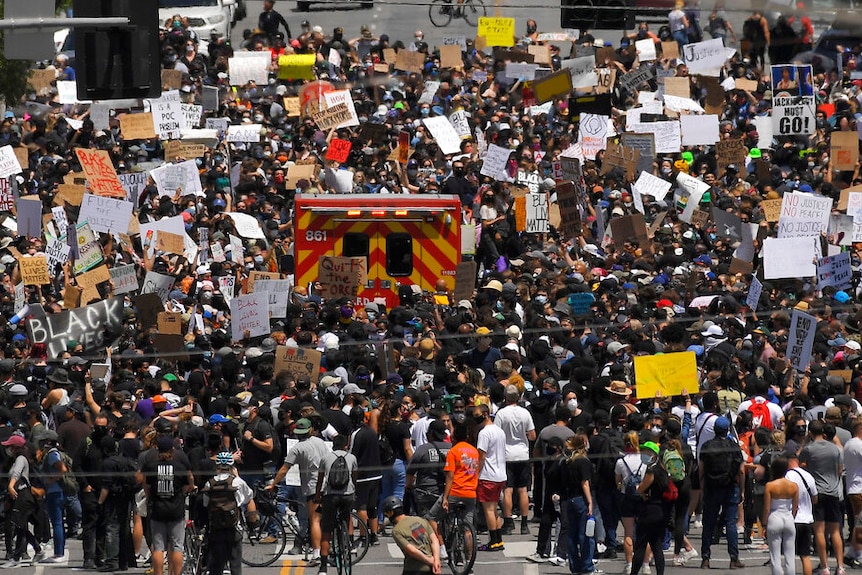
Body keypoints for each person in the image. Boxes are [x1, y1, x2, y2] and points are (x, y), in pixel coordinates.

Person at [269, 417, 329, 567]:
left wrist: (273, 484)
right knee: (324, 520)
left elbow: (284, 468)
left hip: (312, 487)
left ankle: (316, 554)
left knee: (314, 520)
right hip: (327, 485)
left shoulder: (297, 448)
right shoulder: (320, 442)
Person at [140, 435, 195, 575]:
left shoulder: (152, 465)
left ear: (157, 449)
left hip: (158, 507)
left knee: (158, 546)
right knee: (177, 546)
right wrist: (184, 490)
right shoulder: (179, 466)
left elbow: (145, 482)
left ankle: (158, 573)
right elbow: (190, 480)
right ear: (172, 449)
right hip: (176, 507)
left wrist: (149, 496)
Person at [698, 416, 745, 569]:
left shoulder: (707, 446)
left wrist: (702, 486)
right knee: (731, 523)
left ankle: (705, 557)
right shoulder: (734, 446)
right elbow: (742, 471)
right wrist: (742, 490)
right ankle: (733, 558)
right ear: (728, 430)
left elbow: (701, 470)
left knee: (708, 523)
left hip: (711, 487)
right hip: (730, 487)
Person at [800, 420, 845, 575]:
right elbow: (840, 471)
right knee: (835, 531)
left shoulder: (808, 449)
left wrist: (806, 441)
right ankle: (840, 566)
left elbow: (798, 461)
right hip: (833, 492)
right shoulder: (836, 449)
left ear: (810, 432)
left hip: (817, 492)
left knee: (819, 531)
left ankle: (824, 566)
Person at [201, 452, 253, 575]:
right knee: (235, 563)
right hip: (234, 527)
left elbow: (205, 503)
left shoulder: (210, 483)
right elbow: (248, 496)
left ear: (217, 466)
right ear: (232, 466)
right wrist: (238, 476)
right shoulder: (237, 482)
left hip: (216, 528)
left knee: (216, 565)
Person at [494, 384, 536, 536]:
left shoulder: (501, 414)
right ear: (518, 397)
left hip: (506, 456)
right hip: (522, 455)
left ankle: (508, 522)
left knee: (508, 490)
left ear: (505, 397)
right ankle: (524, 524)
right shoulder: (525, 413)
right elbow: (532, 435)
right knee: (523, 490)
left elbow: (496, 434)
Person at [315, 434, 357, 575]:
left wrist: (317, 496)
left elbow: (320, 479)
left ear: (333, 445)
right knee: (346, 517)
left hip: (330, 495)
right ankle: (348, 542)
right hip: (347, 495)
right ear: (346, 445)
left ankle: (323, 568)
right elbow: (354, 476)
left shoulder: (325, 458)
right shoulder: (351, 458)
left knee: (326, 531)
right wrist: (353, 490)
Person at [0, 433, 44, 567]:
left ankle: (17, 557)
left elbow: (16, 473)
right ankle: (37, 550)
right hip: (18, 495)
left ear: (15, 448)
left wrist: (11, 485)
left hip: (23, 495)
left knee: (19, 525)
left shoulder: (20, 459)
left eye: (10, 447)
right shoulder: (16, 459)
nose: (8, 449)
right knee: (21, 526)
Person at [561, 434, 599, 574]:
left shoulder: (568, 462)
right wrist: (590, 501)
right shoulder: (583, 462)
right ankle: (587, 567)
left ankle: (575, 566)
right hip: (581, 499)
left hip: (570, 499)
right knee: (586, 535)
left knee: (572, 534)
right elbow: (585, 483)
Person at [630, 441, 668, 575]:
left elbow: (641, 488)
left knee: (640, 545)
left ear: (654, 455)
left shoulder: (652, 470)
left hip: (649, 511)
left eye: (646, 452)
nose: (643, 455)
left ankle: (634, 572)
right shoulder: (663, 469)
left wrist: (638, 490)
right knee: (656, 545)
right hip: (660, 510)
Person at [474, 403, 506, 552]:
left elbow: (481, 456)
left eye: (477, 415)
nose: (476, 418)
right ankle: (498, 540)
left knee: (489, 510)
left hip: (488, 475)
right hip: (500, 475)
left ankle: (493, 541)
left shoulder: (484, 433)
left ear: (485, 414)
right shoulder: (499, 431)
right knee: (495, 509)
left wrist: (475, 473)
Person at [382, 496, 441, 575]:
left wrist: (429, 560)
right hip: (431, 568)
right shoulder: (420, 520)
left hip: (413, 568)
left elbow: (411, 550)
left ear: (390, 513)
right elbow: (434, 540)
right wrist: (436, 560)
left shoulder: (397, 530)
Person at [763, 455, 799, 575]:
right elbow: (795, 507)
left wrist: (764, 523)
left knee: (775, 556)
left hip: (775, 517)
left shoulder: (770, 485)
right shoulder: (793, 486)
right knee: (790, 555)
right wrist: (792, 517)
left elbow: (767, 507)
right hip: (788, 517)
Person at [786, 451, 818, 575]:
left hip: (793, 519)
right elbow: (815, 499)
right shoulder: (808, 476)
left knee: (790, 555)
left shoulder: (788, 476)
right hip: (807, 519)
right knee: (805, 556)